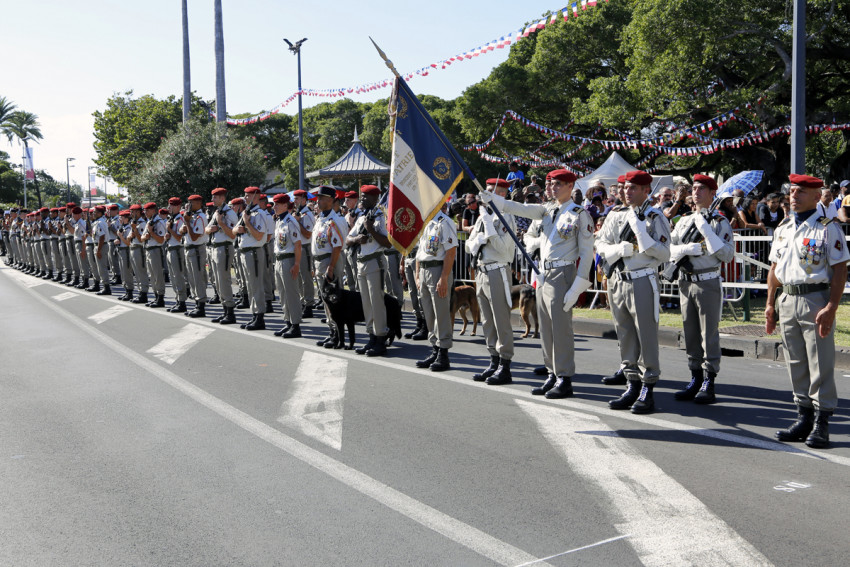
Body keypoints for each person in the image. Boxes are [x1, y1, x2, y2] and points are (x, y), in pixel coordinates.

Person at [481, 169, 595, 397]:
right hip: (544, 274)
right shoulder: (547, 210)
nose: (552, 188)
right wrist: (495, 200)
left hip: (563, 273)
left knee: (561, 329)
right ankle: (552, 373)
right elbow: (521, 209)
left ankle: (564, 377)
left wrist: (579, 285)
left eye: (558, 184)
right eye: (550, 183)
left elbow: (587, 252)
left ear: (571, 186)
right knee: (546, 328)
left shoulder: (579, 214)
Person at [765, 174, 849, 449]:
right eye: (792, 191)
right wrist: (769, 304)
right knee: (795, 361)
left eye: (801, 192)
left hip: (815, 300)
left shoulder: (827, 228)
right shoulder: (783, 228)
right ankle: (803, 416)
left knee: (820, 362)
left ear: (816, 196)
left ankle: (822, 422)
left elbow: (840, 269)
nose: (794, 195)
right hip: (787, 299)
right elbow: (775, 271)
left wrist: (831, 307)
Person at [595, 170, 671, 414]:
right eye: (625, 187)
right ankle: (631, 383)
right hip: (618, 280)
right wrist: (618, 249)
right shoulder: (615, 214)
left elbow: (665, 253)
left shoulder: (654, 216)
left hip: (641, 280)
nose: (626, 192)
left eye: (633, 188)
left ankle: (648, 386)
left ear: (646, 190)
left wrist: (643, 237)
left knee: (645, 335)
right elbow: (600, 243)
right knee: (625, 333)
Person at [668, 174, 735, 404]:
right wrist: (686, 248)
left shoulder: (719, 222)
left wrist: (706, 230)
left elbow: (726, 254)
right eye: (694, 188)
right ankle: (695, 376)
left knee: (709, 334)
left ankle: (709, 380)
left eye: (701, 189)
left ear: (712, 193)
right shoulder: (685, 220)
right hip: (685, 281)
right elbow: (669, 249)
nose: (695, 192)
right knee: (691, 333)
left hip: (707, 281)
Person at [465, 179, 517, 385]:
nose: (485, 195)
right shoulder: (482, 217)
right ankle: (493, 361)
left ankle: (505, 365)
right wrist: (478, 239)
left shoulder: (506, 216)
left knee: (500, 320)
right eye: (485, 192)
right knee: (486, 320)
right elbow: (469, 246)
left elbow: (504, 249)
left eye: (491, 192)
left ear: (502, 195)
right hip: (482, 271)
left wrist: (489, 229)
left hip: (498, 270)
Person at [347, 185, 393, 356]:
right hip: (361, 262)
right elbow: (347, 239)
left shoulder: (380, 218)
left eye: (366, 196)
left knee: (377, 302)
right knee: (366, 302)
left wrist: (371, 228)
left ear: (375, 198)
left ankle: (381, 338)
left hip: (375, 262)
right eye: (362, 196)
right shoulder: (362, 217)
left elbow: (388, 243)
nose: (362, 199)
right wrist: (356, 239)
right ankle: (371, 336)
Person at [414, 197, 458, 372]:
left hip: (437, 270)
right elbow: (419, 252)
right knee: (429, 314)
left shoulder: (444, 223)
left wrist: (444, 277)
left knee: (441, 314)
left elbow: (451, 251)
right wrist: (417, 276)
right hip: (424, 271)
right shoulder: (426, 223)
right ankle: (434, 349)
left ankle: (443, 353)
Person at [311, 185, 346, 346]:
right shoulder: (321, 218)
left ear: (331, 200)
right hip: (321, 261)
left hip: (329, 260)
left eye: (322, 198)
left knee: (333, 299)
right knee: (326, 299)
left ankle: (338, 334)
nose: (318, 201)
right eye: (318, 198)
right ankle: (332, 331)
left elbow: (337, 246)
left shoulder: (335, 220)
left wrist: (331, 267)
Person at [236, 187, 270, 330]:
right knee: (250, 286)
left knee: (256, 285)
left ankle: (260, 317)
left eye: (247, 195)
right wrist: (239, 228)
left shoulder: (260, 214)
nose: (245, 198)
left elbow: (258, 236)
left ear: (256, 197)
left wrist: (247, 224)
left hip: (254, 252)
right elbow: (234, 230)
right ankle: (254, 315)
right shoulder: (247, 213)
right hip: (245, 251)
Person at [271, 193, 303, 338]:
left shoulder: (291, 222)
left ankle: (295, 325)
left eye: (277, 204)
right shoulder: (279, 221)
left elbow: (297, 245)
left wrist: (296, 264)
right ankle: (288, 322)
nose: (274, 207)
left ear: (285, 205)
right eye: (274, 204)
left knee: (291, 293)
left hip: (288, 259)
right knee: (283, 293)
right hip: (279, 259)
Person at [206, 187, 239, 324]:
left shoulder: (230, 214)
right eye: (212, 197)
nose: (213, 199)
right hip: (215, 248)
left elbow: (232, 234)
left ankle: (230, 312)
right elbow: (206, 229)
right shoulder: (217, 212)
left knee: (224, 280)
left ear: (222, 198)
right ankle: (224, 310)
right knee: (218, 282)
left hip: (224, 248)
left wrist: (220, 224)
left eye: (215, 197)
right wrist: (211, 228)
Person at [180, 195, 209, 317]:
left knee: (197, 278)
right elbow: (183, 231)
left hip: (196, 249)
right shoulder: (192, 216)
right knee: (192, 278)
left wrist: (187, 222)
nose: (189, 205)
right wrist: (185, 226)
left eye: (191, 203)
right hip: (189, 248)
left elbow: (194, 236)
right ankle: (197, 303)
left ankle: (201, 305)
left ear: (198, 203)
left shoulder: (200, 217)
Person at [292, 189, 316, 319]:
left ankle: (309, 304)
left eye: (297, 199)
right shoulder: (298, 213)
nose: (294, 201)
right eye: (294, 199)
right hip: (298, 247)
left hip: (305, 247)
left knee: (306, 277)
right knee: (299, 277)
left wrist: (297, 222)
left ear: (304, 200)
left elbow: (308, 233)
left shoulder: (307, 214)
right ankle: (302, 301)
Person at [164, 197, 189, 313]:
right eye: (169, 205)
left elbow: (179, 237)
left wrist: (170, 229)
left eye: (172, 205)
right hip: (170, 248)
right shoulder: (171, 219)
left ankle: (182, 302)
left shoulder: (180, 220)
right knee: (173, 277)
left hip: (177, 250)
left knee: (178, 276)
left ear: (178, 207)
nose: (169, 207)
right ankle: (178, 300)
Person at [141, 202, 167, 307]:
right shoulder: (149, 222)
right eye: (145, 210)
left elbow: (161, 240)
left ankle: (160, 298)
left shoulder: (159, 222)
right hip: (148, 249)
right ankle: (156, 296)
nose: (145, 212)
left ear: (153, 210)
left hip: (156, 249)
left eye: (147, 210)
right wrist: (147, 236)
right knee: (151, 275)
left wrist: (151, 233)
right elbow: (142, 238)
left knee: (157, 275)